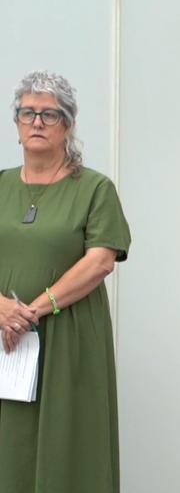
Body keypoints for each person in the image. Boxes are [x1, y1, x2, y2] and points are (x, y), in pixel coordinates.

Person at [0, 71, 131, 493]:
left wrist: (32, 310)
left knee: (70, 446)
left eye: (49, 114)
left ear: (68, 124)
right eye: (27, 113)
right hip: (4, 335)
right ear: (16, 123)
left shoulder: (94, 188)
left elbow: (100, 261)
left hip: (69, 338)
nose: (37, 122)